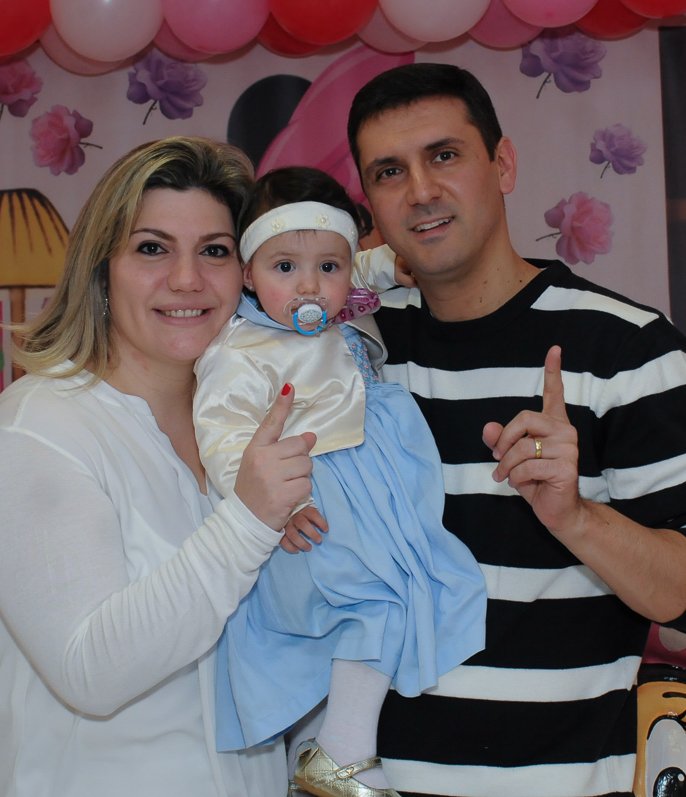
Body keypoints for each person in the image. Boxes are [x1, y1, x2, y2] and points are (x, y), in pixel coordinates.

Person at [345, 63, 686, 797]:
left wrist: (578, 519)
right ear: (370, 204)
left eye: (444, 155)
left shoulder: (628, 349)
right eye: (389, 171)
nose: (420, 191)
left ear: (502, 163)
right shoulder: (354, 357)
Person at [0, 137, 317, 797]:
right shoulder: (37, 430)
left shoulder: (238, 433)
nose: (187, 279)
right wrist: (247, 521)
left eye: (215, 250)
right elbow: (90, 670)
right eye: (152, 248)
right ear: (102, 269)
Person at [194, 167, 486, 797]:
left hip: (368, 482)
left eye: (329, 268)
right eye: (284, 269)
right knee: (370, 605)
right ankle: (343, 753)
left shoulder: (340, 290)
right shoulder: (242, 350)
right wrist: (272, 505)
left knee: (399, 597)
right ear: (247, 271)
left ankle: (326, 748)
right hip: (316, 496)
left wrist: (392, 264)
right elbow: (222, 437)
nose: (310, 286)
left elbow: (367, 266)